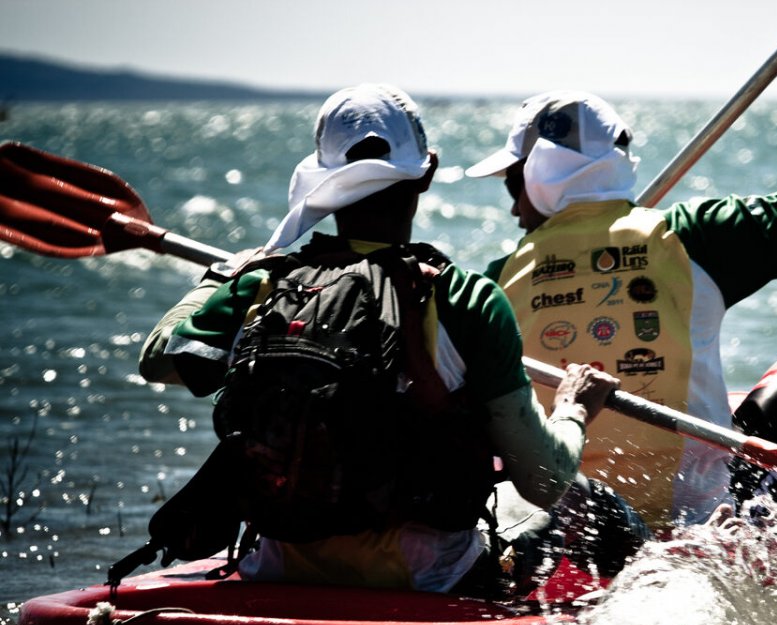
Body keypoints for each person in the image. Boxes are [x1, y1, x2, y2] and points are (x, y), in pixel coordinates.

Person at [138, 83, 643, 596]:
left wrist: (222, 276)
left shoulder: (263, 284)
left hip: (275, 566)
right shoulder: (464, 297)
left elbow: (158, 359)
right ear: (427, 171)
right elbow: (542, 480)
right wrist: (574, 409)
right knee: (581, 496)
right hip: (429, 579)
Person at [466, 1, 777, 543]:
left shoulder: (493, 284)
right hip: (711, 522)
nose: (516, 210)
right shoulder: (694, 239)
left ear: (540, 178)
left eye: (513, 187)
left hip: (578, 530)